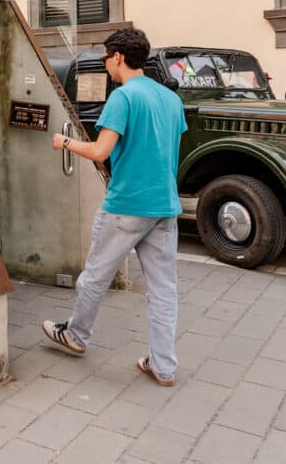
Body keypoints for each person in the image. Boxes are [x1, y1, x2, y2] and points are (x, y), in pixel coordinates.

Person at [42, 28, 187, 386]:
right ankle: (164, 367)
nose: (105, 63)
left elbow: (100, 151)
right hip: (165, 207)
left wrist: (65, 142)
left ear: (118, 56)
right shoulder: (171, 100)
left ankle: (76, 335)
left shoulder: (123, 97)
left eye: (106, 57)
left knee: (95, 276)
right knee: (163, 291)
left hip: (126, 205)